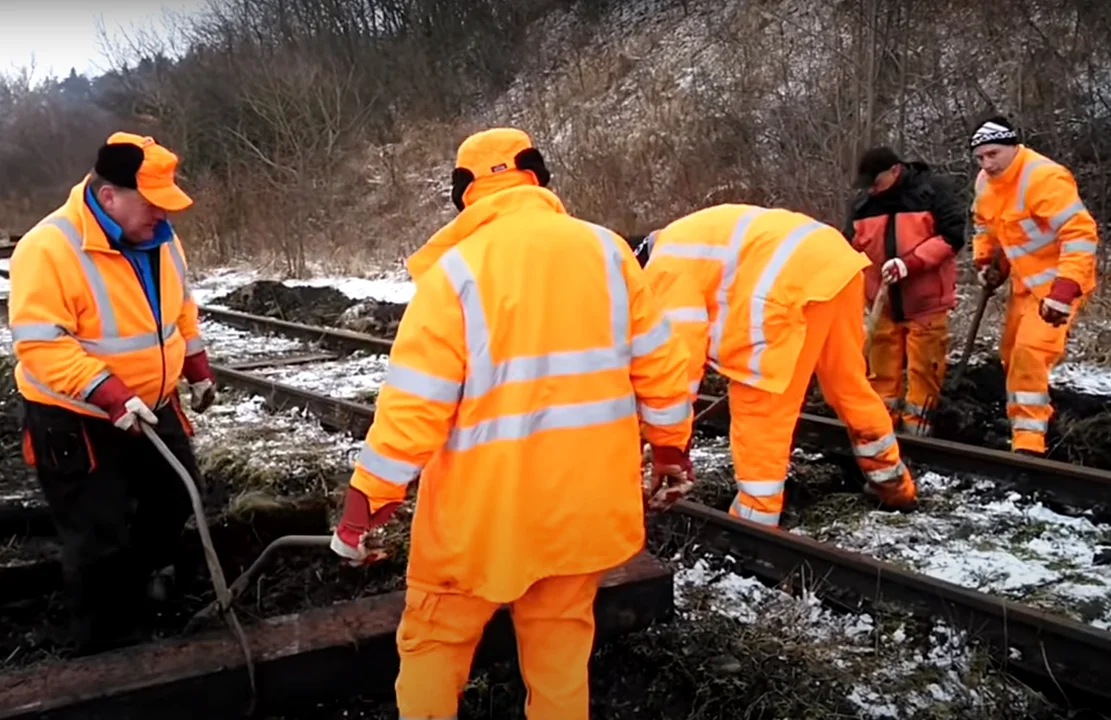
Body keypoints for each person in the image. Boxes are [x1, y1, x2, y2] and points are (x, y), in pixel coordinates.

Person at [329, 127, 695, 720]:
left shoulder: (457, 272)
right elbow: (661, 365)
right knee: (560, 649)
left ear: (464, 193)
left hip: (480, 517)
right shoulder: (607, 253)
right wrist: (672, 450)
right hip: (582, 508)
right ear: (538, 176)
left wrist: (370, 496)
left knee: (435, 641)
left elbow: (415, 404)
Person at [8, 131, 217, 654]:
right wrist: (109, 393)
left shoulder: (160, 238)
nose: (162, 217)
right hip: (75, 417)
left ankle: (141, 587)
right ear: (109, 197)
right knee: (96, 531)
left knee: (176, 492)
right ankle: (103, 644)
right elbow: (40, 345)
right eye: (152, 205)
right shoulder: (47, 249)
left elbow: (180, 309)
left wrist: (196, 364)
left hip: (152, 404)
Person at [630, 203, 919, 528]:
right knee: (847, 384)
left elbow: (677, 363)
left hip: (787, 291)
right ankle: (893, 483)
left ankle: (756, 527)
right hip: (838, 268)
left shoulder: (664, 268)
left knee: (760, 408)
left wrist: (668, 442)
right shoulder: (690, 234)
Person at [969, 115, 1100, 456]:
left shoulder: (1043, 177)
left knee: (1029, 354)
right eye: (980, 157)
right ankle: (1028, 423)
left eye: (993, 154)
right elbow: (985, 224)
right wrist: (986, 263)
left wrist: (1063, 292)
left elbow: (1080, 235)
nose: (987, 163)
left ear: (1014, 147)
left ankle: (1029, 445)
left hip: (1058, 286)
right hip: (1024, 283)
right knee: (1011, 355)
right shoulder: (985, 183)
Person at [843, 146, 966, 435]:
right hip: (881, 304)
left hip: (926, 303)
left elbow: (952, 237)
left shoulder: (932, 191)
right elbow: (848, 247)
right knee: (881, 375)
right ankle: (881, 433)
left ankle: (917, 434)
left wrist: (909, 264)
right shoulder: (863, 204)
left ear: (895, 171)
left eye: (876, 182)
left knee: (924, 372)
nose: (871, 190)